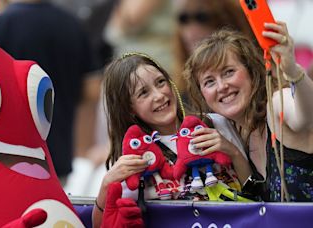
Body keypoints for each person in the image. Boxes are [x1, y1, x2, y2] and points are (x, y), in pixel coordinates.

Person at [92, 53, 253, 227]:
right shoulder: (137, 155)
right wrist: (106, 185)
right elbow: (101, 224)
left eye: (161, 82)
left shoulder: (214, 123)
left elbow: (255, 194)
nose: (159, 95)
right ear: (129, 108)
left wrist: (233, 152)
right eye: (143, 93)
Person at [183, 25, 313, 202]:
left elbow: (306, 117)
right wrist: (234, 153)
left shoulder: (276, 103)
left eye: (228, 72)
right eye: (209, 82)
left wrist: (292, 71)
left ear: (252, 71)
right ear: (203, 95)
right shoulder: (233, 132)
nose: (221, 87)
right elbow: (253, 201)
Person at [0, 0, 100, 185]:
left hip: (10, 155)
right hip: (60, 155)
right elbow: (92, 90)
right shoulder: (72, 25)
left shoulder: (1, 26)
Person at [172, 0, 253, 95]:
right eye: (183, 19)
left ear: (228, 24)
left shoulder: (260, 77)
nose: (192, 29)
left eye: (202, 18)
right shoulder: (179, 92)